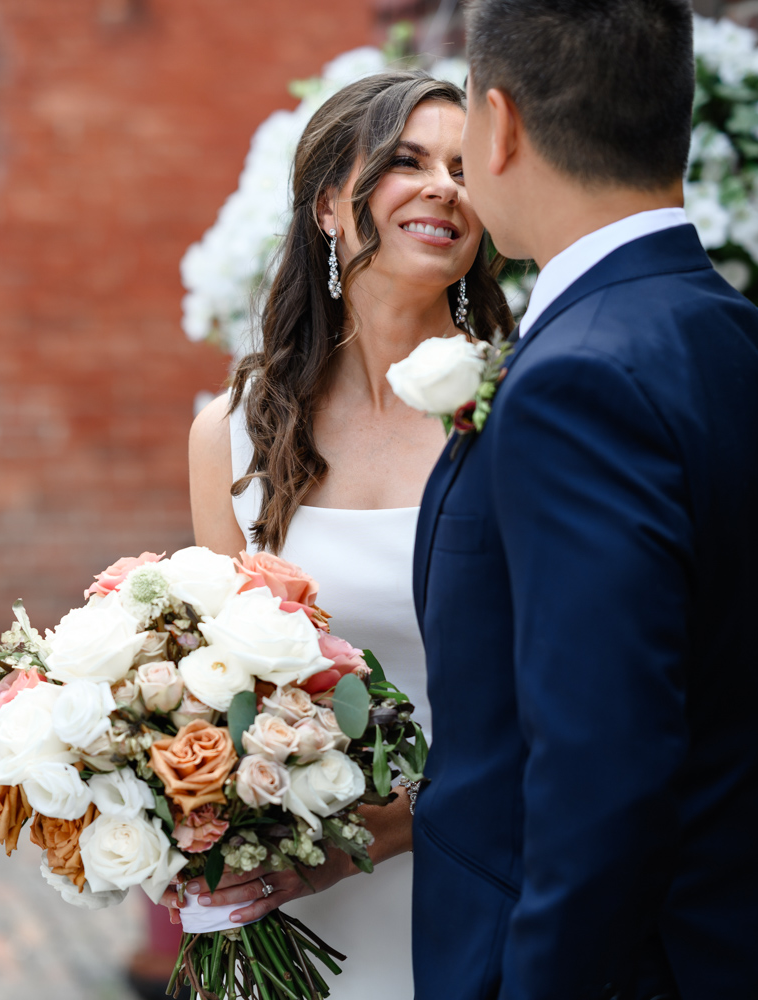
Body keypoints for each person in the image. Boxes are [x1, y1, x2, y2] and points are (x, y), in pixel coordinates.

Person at [407, 1, 758, 997]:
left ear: (501, 125)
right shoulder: (730, 328)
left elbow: (602, 774)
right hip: (751, 936)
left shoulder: (577, 378)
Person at [166, 71, 511, 1000]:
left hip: (478, 877)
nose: (444, 184)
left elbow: (555, 709)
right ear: (328, 203)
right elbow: (214, 699)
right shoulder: (231, 434)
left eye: (463, 165)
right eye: (407, 162)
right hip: (296, 904)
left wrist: (377, 834)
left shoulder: (517, 412)